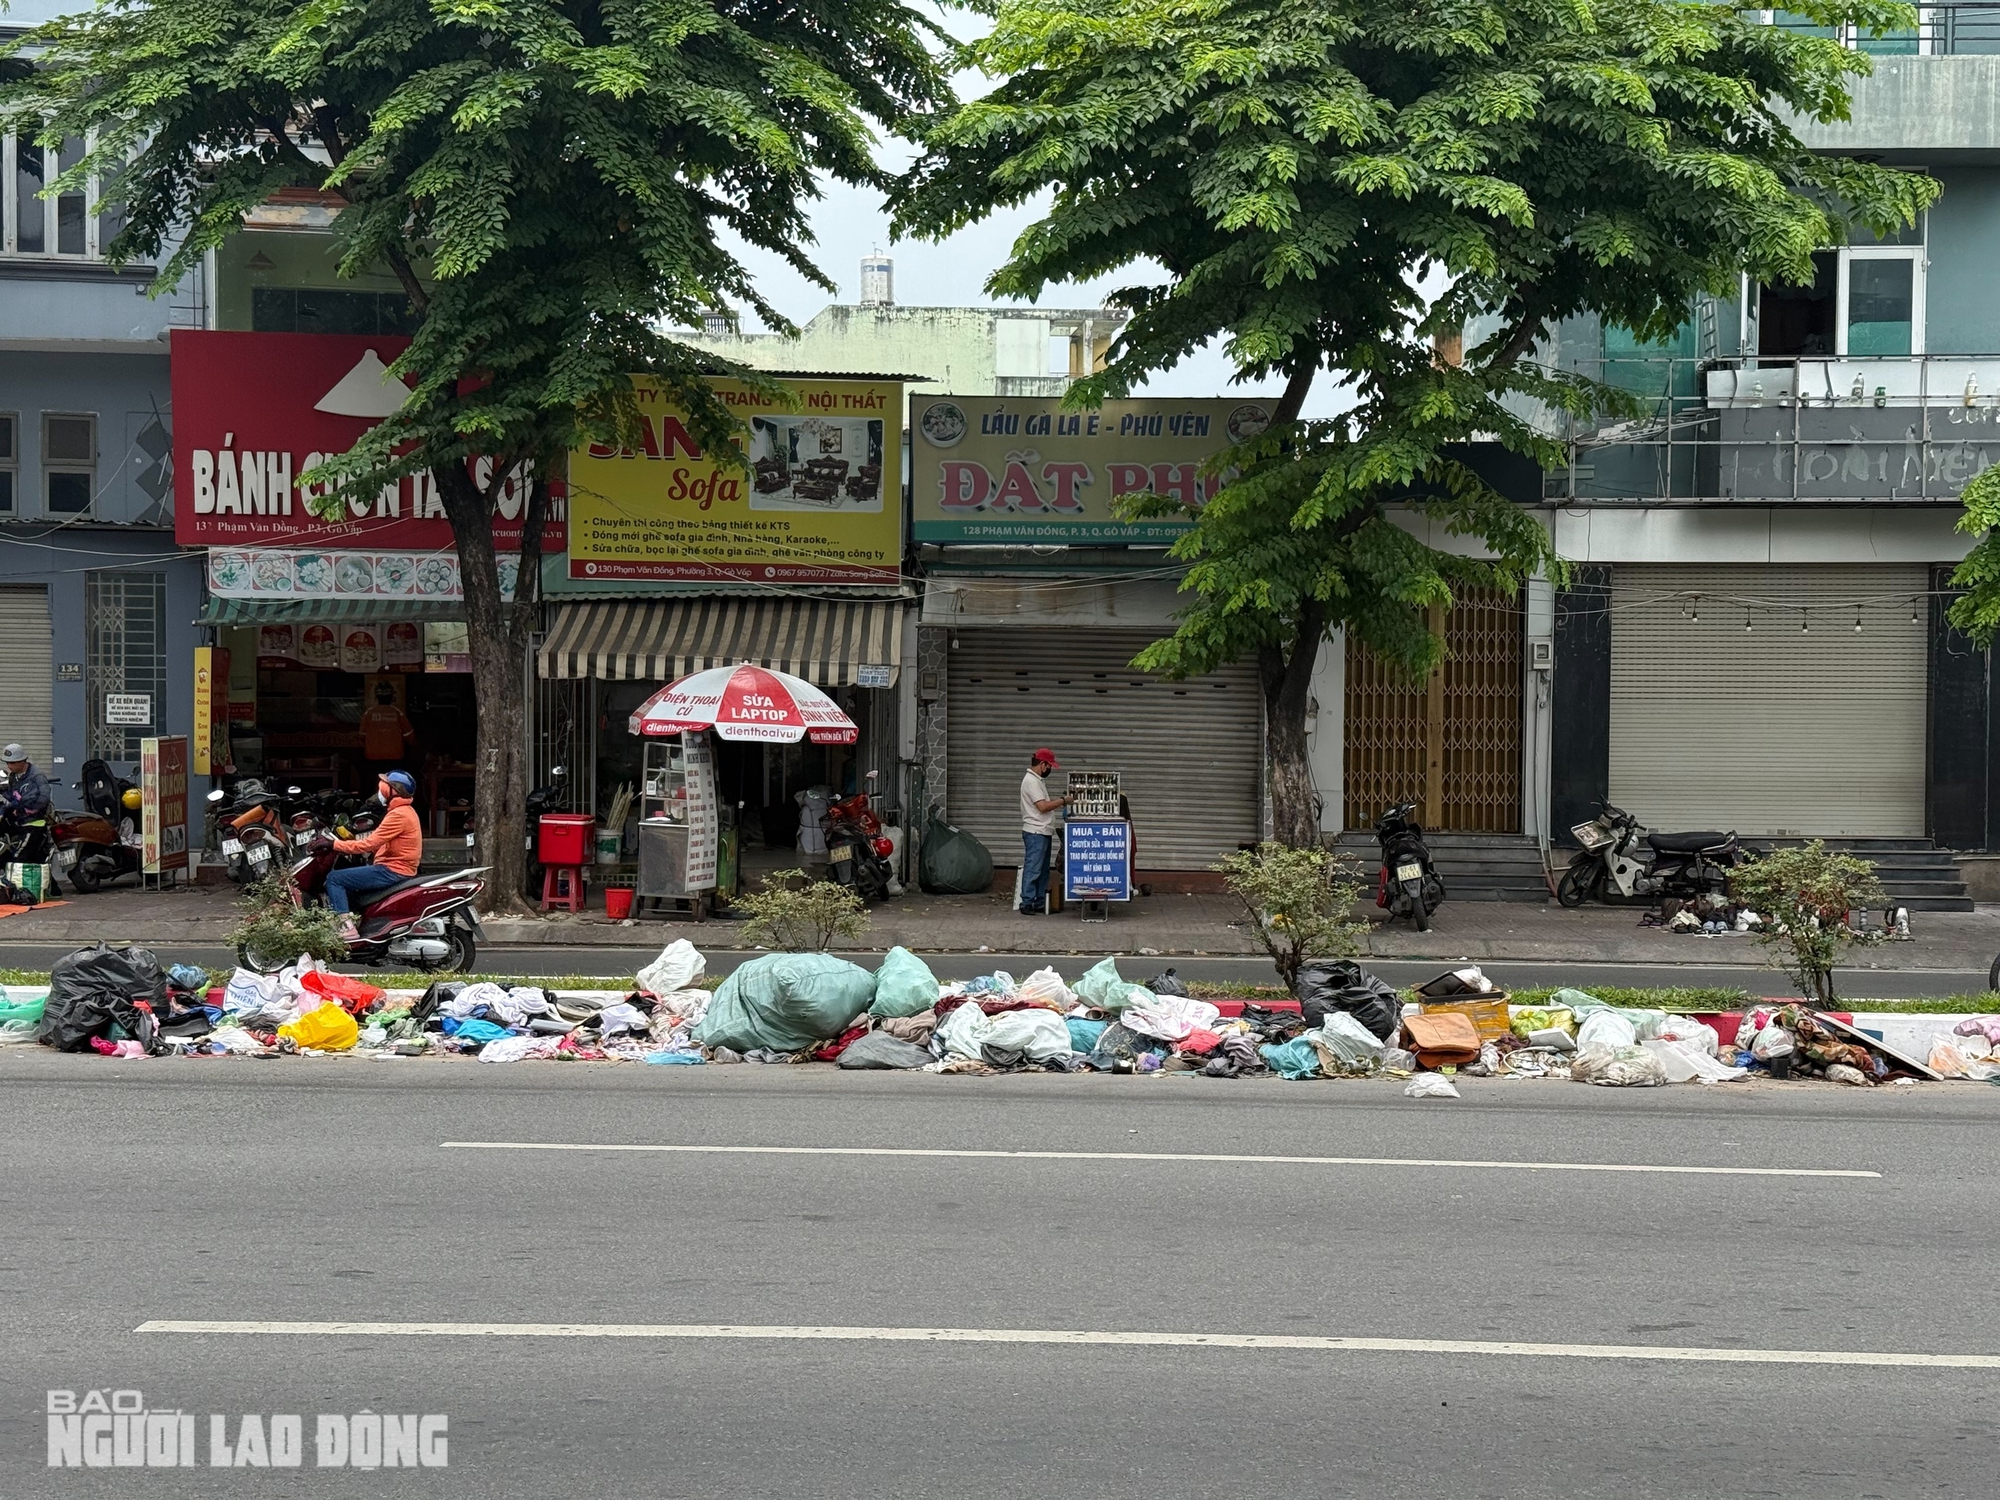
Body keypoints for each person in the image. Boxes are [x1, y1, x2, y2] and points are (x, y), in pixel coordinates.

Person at [327, 769, 423, 938]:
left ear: (392, 791)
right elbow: (378, 842)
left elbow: (368, 844)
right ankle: (356, 921)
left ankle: (346, 928)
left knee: (335, 878)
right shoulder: (403, 811)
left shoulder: (398, 815)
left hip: (392, 870)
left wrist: (333, 844)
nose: (379, 791)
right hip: (397, 867)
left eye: (383, 787)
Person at [1018, 747, 1070, 916]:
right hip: (1035, 832)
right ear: (1042, 764)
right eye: (1049, 766)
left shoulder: (1037, 780)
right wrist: (1063, 801)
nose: (1049, 770)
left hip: (1043, 831)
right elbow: (1042, 807)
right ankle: (1027, 902)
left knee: (1042, 870)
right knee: (1033, 868)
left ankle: (1039, 901)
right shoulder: (1031, 782)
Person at [1, 743, 57, 892]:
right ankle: (52, 890)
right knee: (28, 858)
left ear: (22, 761)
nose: (9, 766)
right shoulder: (13, 777)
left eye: (12, 763)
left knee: (19, 859)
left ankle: (18, 891)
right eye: (7, 763)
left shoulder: (37, 776)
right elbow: (12, 796)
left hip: (34, 825)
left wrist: (24, 808)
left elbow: (43, 799)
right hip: (19, 823)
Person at [360, 679, 416, 770]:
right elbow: (410, 737)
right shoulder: (398, 713)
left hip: (372, 756)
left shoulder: (368, 713)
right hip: (395, 757)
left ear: (376, 697)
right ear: (391, 696)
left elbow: (362, 736)